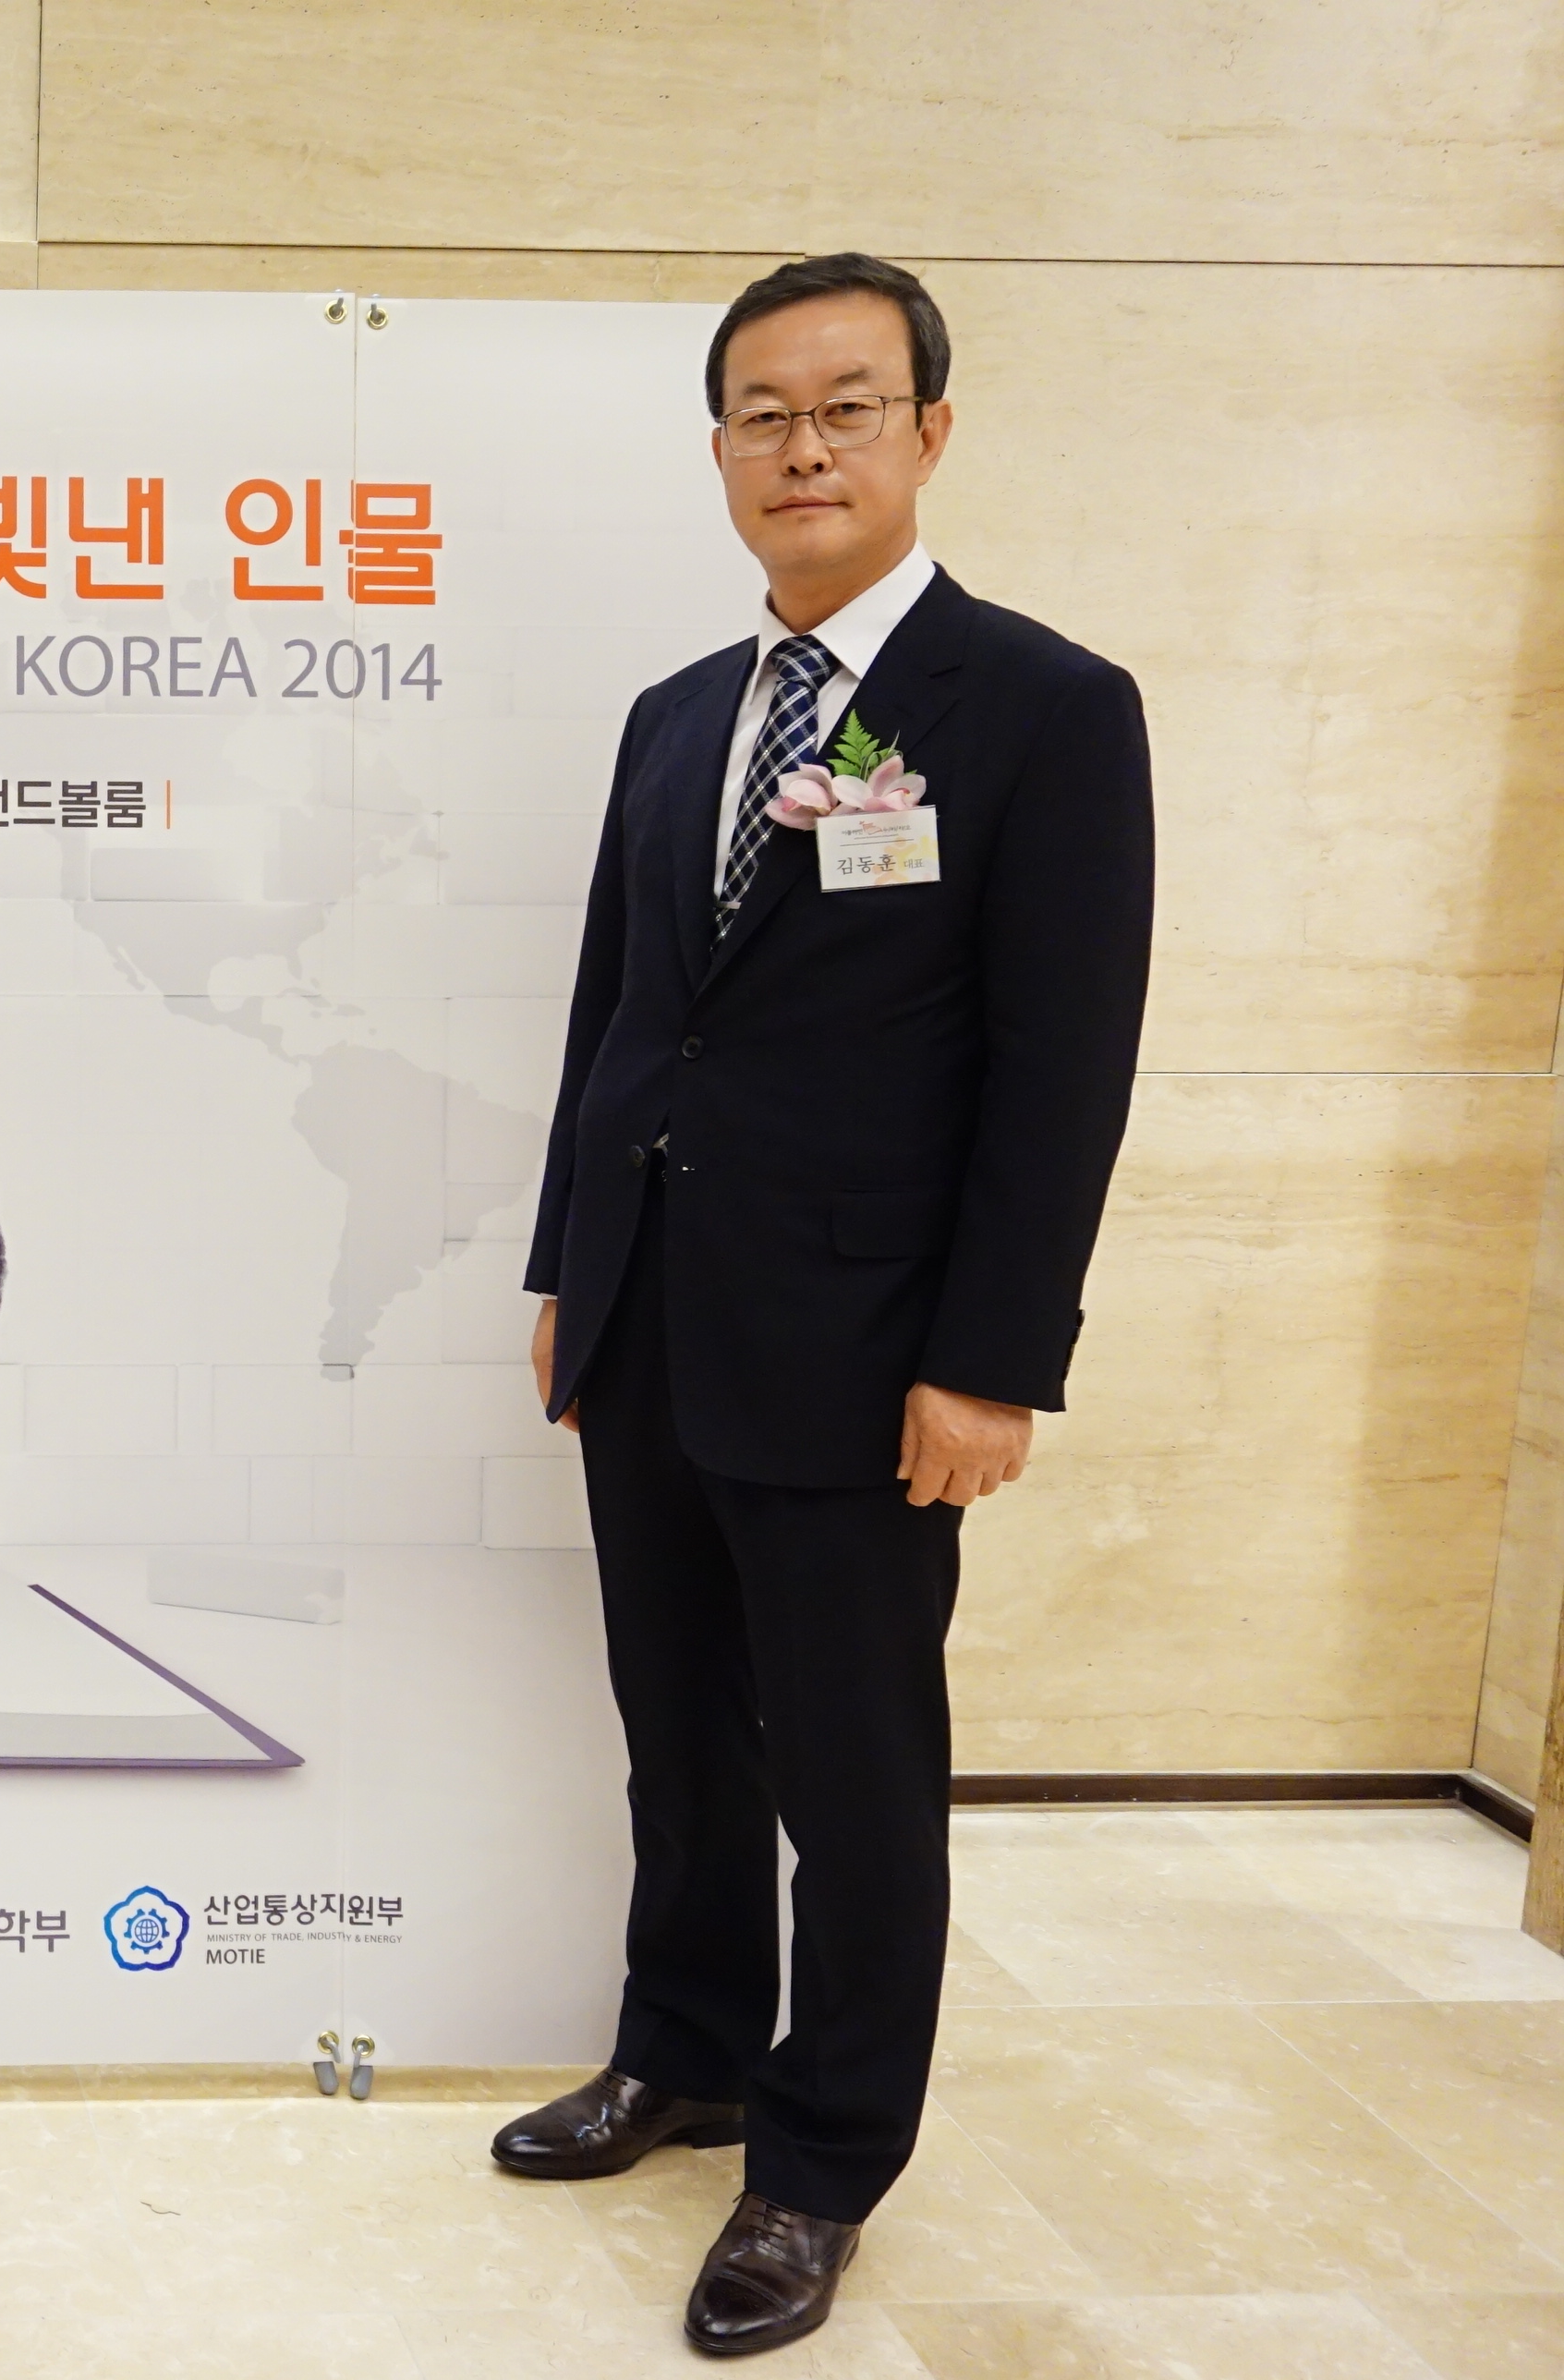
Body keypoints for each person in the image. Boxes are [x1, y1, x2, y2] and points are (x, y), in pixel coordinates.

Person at [498, 252, 1153, 2357]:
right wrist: (565, 1262)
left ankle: (821, 2157)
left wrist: (992, 1359)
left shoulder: (1041, 708)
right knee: (677, 1729)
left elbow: (1062, 1068)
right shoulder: (678, 714)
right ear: (718, 452)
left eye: (845, 405)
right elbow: (617, 1013)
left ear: (927, 432)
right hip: (651, 1318)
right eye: (762, 414)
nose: (802, 447)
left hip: (870, 1353)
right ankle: (683, 2051)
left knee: (852, 1773)